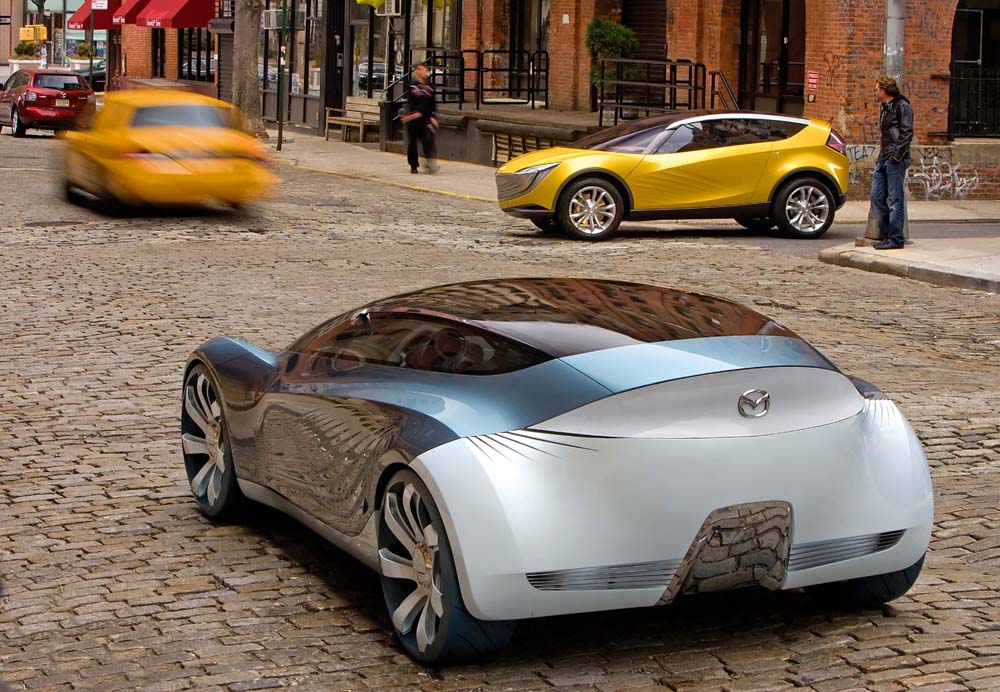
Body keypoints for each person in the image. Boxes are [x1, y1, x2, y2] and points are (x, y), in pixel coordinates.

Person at [870, 75, 913, 250]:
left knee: (895, 199)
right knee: (876, 196)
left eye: (876, 89)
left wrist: (896, 156)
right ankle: (888, 234)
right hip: (884, 157)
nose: (875, 92)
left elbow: (907, 132)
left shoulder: (901, 106)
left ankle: (895, 238)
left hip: (895, 158)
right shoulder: (886, 108)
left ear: (885, 90)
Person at [401, 63, 439, 174]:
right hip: (414, 119)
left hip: (425, 118)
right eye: (422, 70)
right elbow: (411, 103)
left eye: (425, 70)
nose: (424, 72)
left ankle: (430, 162)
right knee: (413, 142)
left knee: (428, 139)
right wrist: (412, 114)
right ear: (418, 71)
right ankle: (413, 165)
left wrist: (433, 116)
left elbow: (432, 104)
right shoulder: (412, 87)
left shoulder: (430, 87)